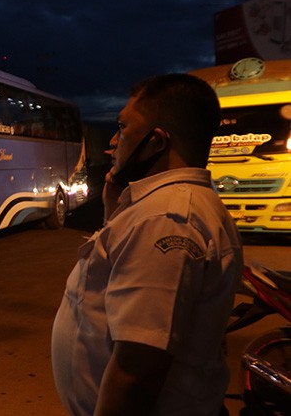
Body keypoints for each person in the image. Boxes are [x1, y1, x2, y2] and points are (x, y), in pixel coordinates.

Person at [51, 74, 243, 416]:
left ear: (156, 142)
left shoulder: (165, 218)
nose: (113, 141)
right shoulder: (169, 207)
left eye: (123, 128)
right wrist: (114, 214)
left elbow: (135, 374)